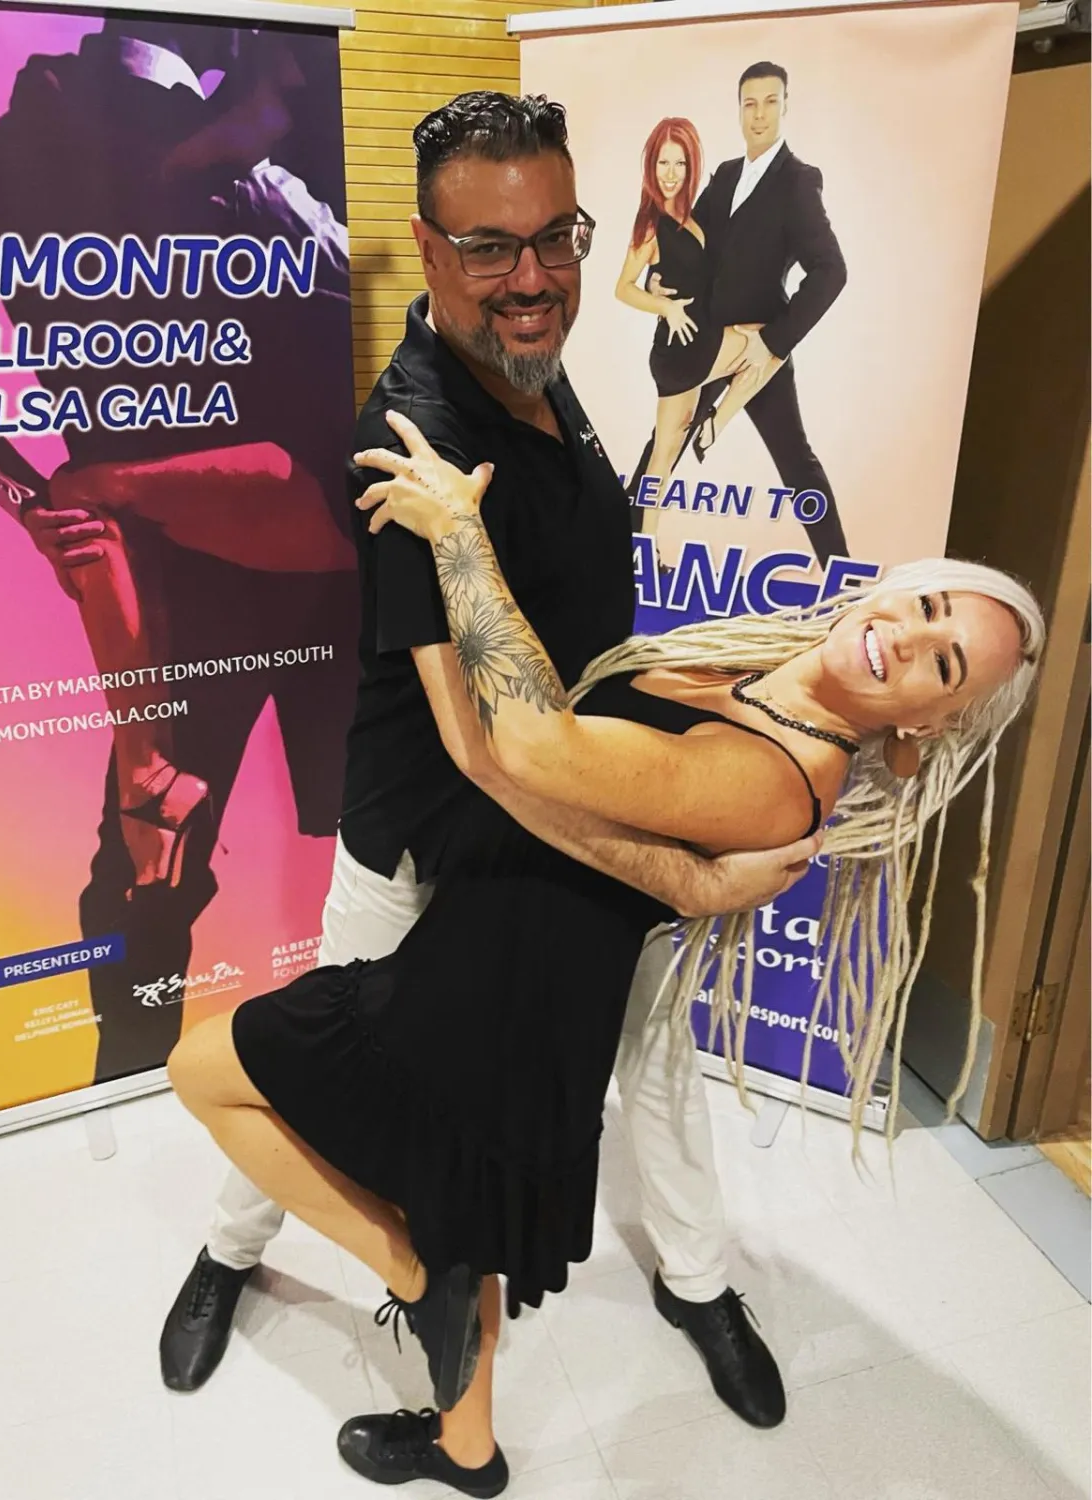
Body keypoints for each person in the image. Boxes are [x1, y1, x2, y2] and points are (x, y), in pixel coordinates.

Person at [169, 409, 1043, 1497]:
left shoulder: (782, 775)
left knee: (202, 1073)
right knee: (464, 1202)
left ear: (931, 726)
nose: (908, 638)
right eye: (921, 605)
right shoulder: (768, 673)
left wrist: (452, 547)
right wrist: (688, 880)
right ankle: (467, 1451)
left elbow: (524, 751)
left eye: (943, 661)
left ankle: (401, 1273)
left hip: (498, 982)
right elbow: (529, 770)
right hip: (517, 966)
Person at [159, 92, 810, 1430]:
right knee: (316, 1071)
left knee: (655, 1057)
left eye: (554, 237)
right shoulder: (413, 442)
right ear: (429, 244)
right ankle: (234, 1251)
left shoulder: (537, 356)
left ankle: (693, 1280)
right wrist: (675, 876)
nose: (533, 277)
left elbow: (570, 644)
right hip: (428, 840)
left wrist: (727, 694)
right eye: (488, 248)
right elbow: (477, 740)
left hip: (573, 806)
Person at [0, 21, 359, 1082]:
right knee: (150, 889)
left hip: (341, 565)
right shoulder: (41, 138)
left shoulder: (295, 96)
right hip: (179, 594)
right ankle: (139, 1090)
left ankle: (356, 1059)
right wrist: (29, 488)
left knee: (367, 848)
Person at [633, 61, 849, 568]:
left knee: (796, 464)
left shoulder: (798, 182)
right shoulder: (727, 175)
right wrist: (655, 282)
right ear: (739, 109)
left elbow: (831, 271)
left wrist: (775, 340)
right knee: (662, 449)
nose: (759, 114)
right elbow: (687, 243)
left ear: (786, 105)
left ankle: (843, 581)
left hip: (756, 348)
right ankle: (631, 550)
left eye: (771, 101)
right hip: (705, 339)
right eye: (750, 103)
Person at [616, 117, 783, 547]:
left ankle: (644, 549)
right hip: (682, 349)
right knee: (772, 344)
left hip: (698, 342)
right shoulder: (651, 224)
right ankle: (717, 423)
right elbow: (622, 288)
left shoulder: (695, 217)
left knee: (664, 454)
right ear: (650, 167)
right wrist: (663, 305)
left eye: (680, 164)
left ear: (692, 168)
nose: (670, 174)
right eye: (662, 163)